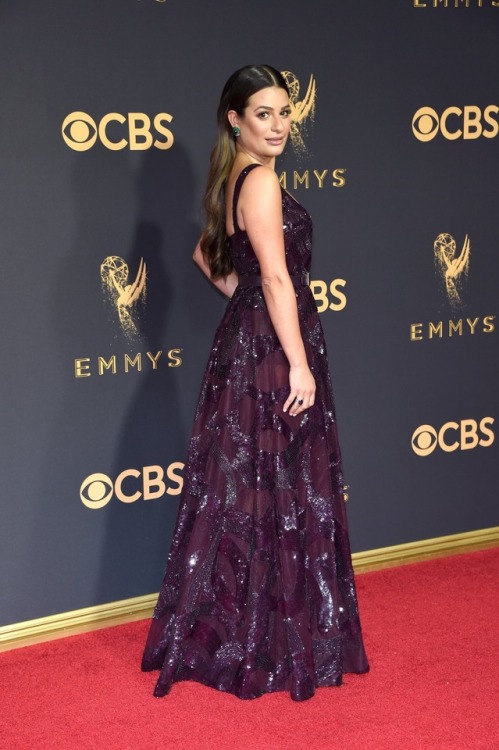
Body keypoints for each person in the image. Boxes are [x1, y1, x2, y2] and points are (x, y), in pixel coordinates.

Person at [141, 64, 369, 701]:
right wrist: (296, 360)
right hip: (274, 348)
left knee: (254, 488)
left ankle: (250, 630)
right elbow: (274, 280)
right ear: (235, 119)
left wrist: (245, 313)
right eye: (262, 114)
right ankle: (270, 640)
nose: (277, 125)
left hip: (251, 341)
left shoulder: (231, 178)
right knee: (278, 484)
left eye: (285, 113)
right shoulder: (261, 181)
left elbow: (206, 257)